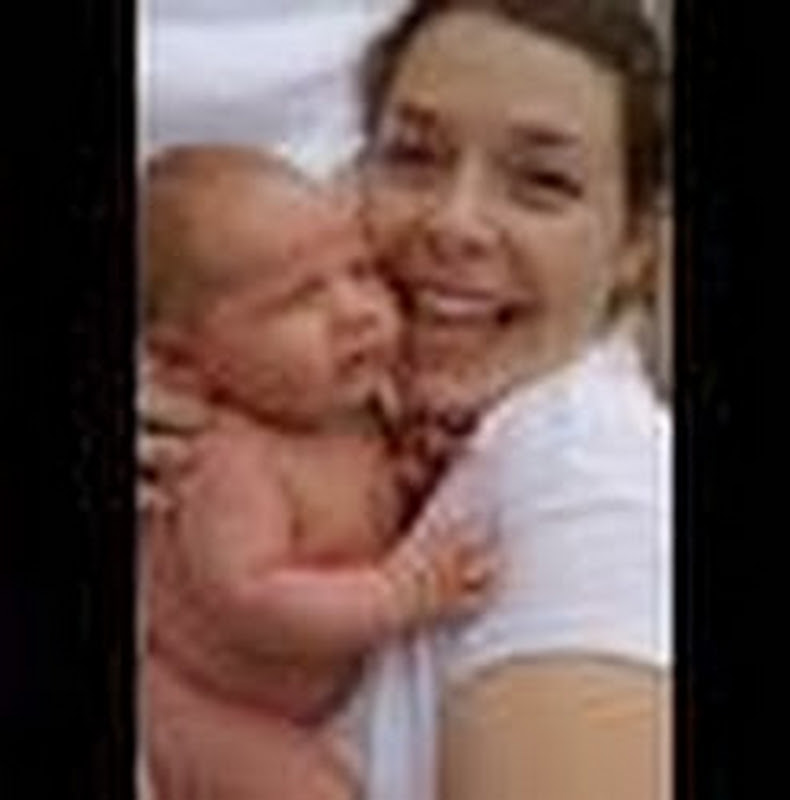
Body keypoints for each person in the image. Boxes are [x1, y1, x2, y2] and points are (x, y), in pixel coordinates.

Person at [141, 0, 672, 797]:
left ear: (636, 246)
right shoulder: (339, 413)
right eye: (414, 157)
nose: (455, 224)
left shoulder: (591, 471)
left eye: (542, 182)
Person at [140, 145, 496, 800]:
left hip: (320, 692)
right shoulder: (226, 461)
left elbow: (364, 502)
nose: (357, 311)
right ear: (182, 362)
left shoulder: (354, 403)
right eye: (300, 298)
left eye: (361, 271)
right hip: (209, 703)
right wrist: (398, 595)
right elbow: (251, 599)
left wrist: (414, 468)